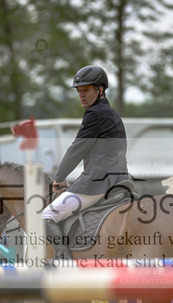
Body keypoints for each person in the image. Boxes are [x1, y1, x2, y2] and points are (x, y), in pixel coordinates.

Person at [41, 65, 128, 259]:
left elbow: (77, 149)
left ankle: (64, 261)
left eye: (86, 90)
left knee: (45, 217)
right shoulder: (111, 113)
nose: (81, 95)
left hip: (98, 184)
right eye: (79, 91)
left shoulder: (95, 114)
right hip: (120, 180)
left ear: (100, 90)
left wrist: (59, 178)